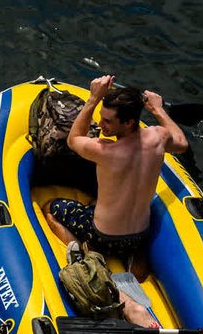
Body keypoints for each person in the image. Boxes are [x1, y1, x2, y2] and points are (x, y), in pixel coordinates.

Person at [43, 75, 188, 277]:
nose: (101, 124)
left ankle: (82, 250)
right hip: (139, 235)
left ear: (128, 122)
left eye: (107, 121)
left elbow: (73, 139)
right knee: (100, 202)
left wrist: (94, 98)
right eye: (101, 117)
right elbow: (182, 143)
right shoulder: (158, 137)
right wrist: (157, 109)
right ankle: (137, 258)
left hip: (103, 236)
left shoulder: (105, 151)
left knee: (51, 207)